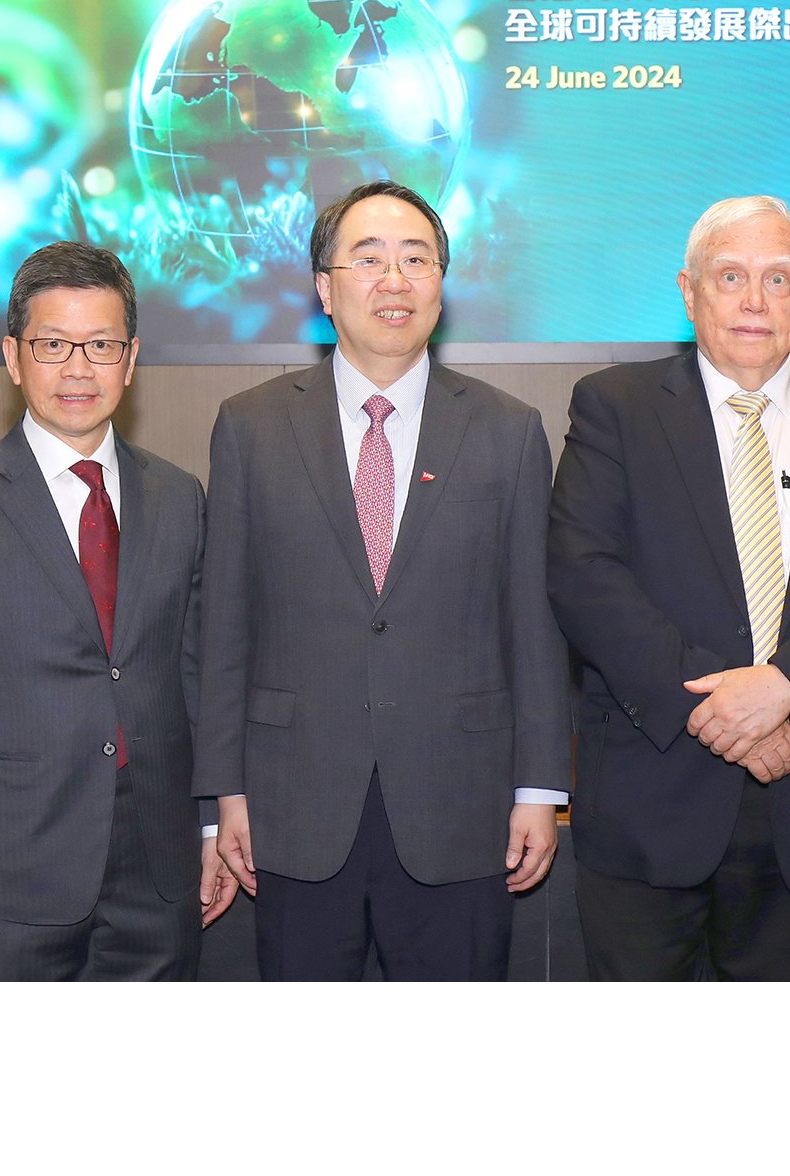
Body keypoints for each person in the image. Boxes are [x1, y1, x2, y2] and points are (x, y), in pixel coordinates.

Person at [197, 179, 568, 980]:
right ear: (326, 289)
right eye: (368, 260)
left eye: (416, 259)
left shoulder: (508, 431)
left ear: (442, 283)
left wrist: (539, 787)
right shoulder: (251, 426)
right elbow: (223, 624)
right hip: (290, 808)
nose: (394, 281)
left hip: (460, 807)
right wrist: (221, 797)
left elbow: (533, 625)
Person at [547, 196, 790, 979]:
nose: (755, 301)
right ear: (689, 291)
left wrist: (788, 686)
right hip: (650, 804)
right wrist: (725, 713)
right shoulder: (613, 408)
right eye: (731, 277)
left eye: (778, 279)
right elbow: (584, 575)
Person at [0, 241, 232, 979]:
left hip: (159, 871)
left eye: (101, 345)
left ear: (131, 358)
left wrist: (209, 824)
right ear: (14, 357)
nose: (78, 369)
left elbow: (199, 676)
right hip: (11, 875)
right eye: (53, 345)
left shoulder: (180, 498)